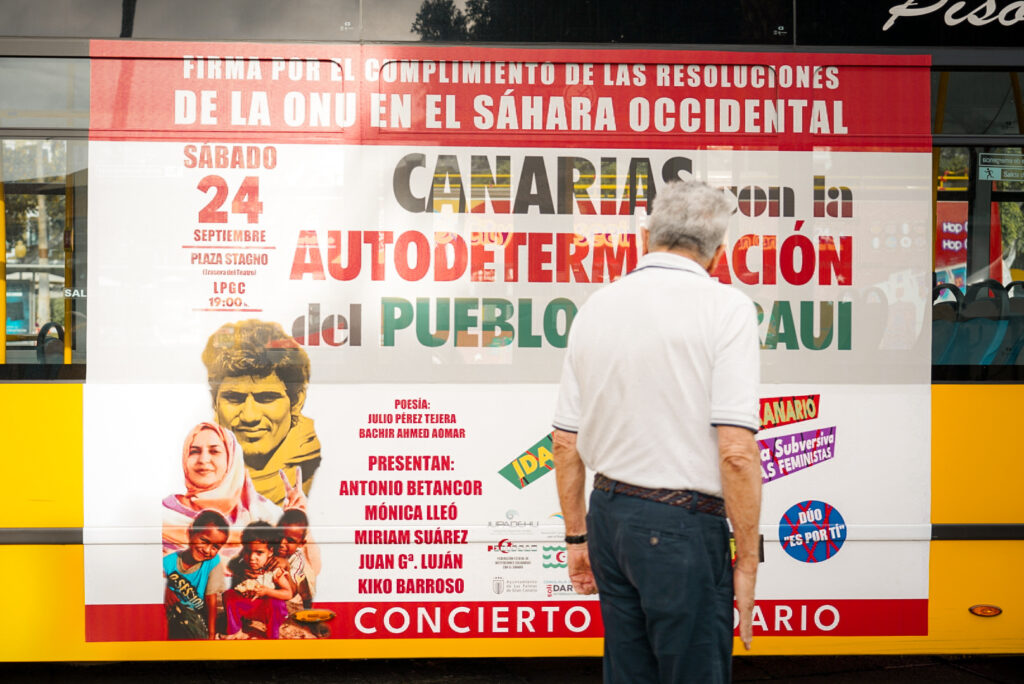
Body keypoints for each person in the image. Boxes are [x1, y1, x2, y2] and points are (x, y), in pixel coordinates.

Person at [552, 180, 762, 683]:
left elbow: (565, 443)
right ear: (717, 253)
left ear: (645, 235)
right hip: (682, 530)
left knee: (628, 672)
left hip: (609, 520)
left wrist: (577, 538)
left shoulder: (595, 306)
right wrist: (748, 563)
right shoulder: (726, 308)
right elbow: (736, 453)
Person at [202, 319, 321, 505]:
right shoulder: (198, 471)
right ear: (214, 403)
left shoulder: (322, 473)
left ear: (296, 401)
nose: (250, 417)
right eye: (234, 398)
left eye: (266, 398)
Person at [162, 421, 284, 554]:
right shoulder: (166, 514)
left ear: (231, 459)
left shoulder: (266, 515)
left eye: (214, 451)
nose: (203, 459)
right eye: (194, 451)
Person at [222, 521, 296, 639]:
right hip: (248, 608)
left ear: (270, 552)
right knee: (228, 595)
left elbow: (288, 593)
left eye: (259, 553)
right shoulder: (242, 567)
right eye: (248, 551)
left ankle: (272, 634)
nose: (252, 558)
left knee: (275, 603)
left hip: (268, 610)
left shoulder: (274, 569)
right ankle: (235, 630)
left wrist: (267, 592)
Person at [163, 509, 229, 640]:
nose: (207, 550)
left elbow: (211, 599)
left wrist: (211, 635)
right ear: (190, 533)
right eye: (204, 541)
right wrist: (163, 589)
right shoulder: (168, 562)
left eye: (215, 547)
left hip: (198, 615)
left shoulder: (212, 562)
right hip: (174, 614)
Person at [275, 508, 319, 609]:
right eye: (279, 536)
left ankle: (307, 605)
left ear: (300, 543)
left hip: (293, 585)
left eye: (290, 540)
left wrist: (286, 566)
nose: (282, 543)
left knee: (303, 585)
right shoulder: (269, 547)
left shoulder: (297, 559)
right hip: (272, 586)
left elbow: (292, 590)